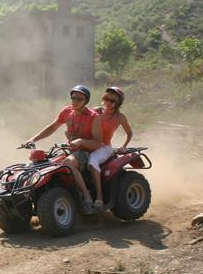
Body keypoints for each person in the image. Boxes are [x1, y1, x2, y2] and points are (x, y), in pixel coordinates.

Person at [23, 85, 102, 214]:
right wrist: (33, 139)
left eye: (79, 99)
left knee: (67, 163)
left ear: (86, 101)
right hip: (69, 149)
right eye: (73, 98)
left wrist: (81, 141)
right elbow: (52, 128)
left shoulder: (94, 117)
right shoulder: (67, 111)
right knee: (43, 162)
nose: (75, 101)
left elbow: (98, 143)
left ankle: (87, 198)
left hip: (86, 152)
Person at [87, 86, 133, 211]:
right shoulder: (96, 111)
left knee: (92, 160)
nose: (108, 103)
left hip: (104, 147)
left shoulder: (120, 117)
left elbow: (129, 133)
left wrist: (124, 147)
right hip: (89, 144)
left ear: (118, 103)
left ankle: (100, 198)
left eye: (112, 101)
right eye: (106, 99)